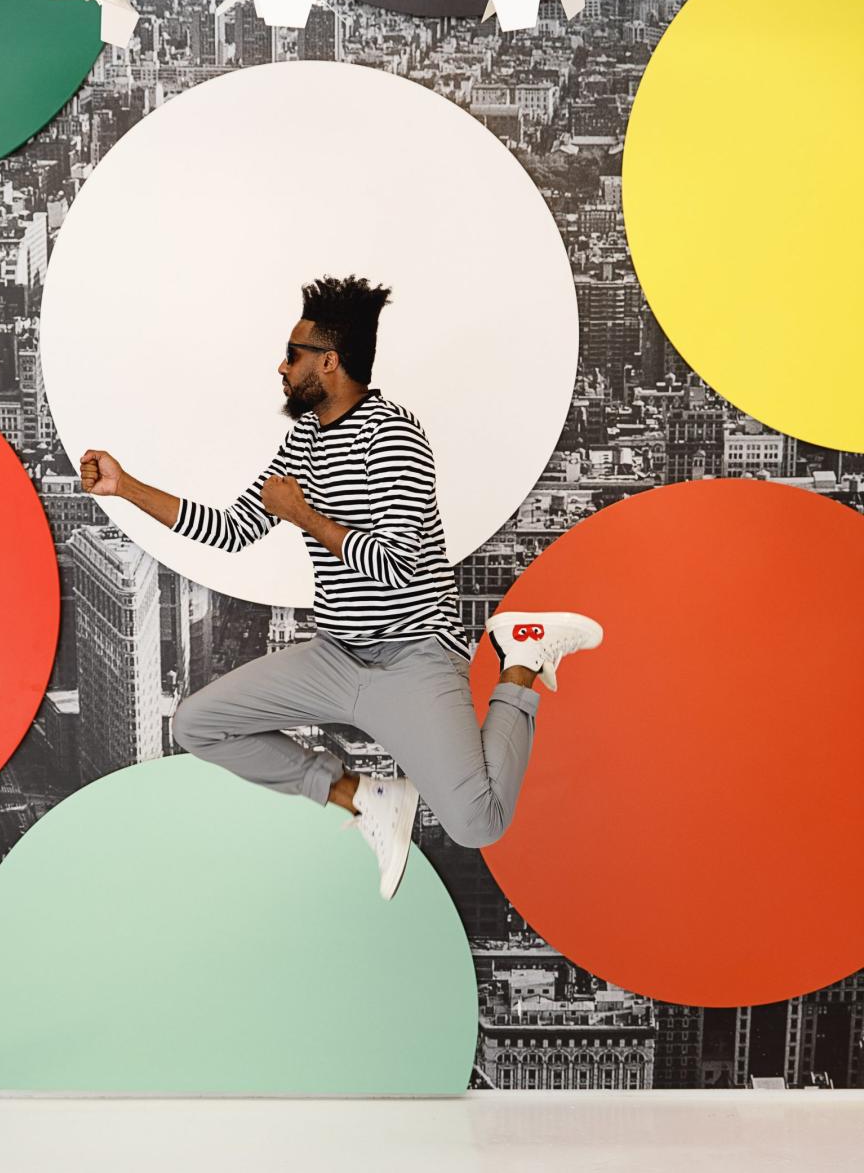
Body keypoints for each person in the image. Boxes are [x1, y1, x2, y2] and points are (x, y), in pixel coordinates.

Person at [80, 274, 603, 900]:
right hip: (334, 656)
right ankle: (367, 800)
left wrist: (304, 516)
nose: (280, 366)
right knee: (196, 725)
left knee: (477, 823)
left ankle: (522, 658)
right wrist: (126, 486)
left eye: (293, 354)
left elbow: (400, 567)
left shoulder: (393, 433)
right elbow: (229, 530)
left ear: (328, 362)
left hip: (411, 655)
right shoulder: (303, 438)